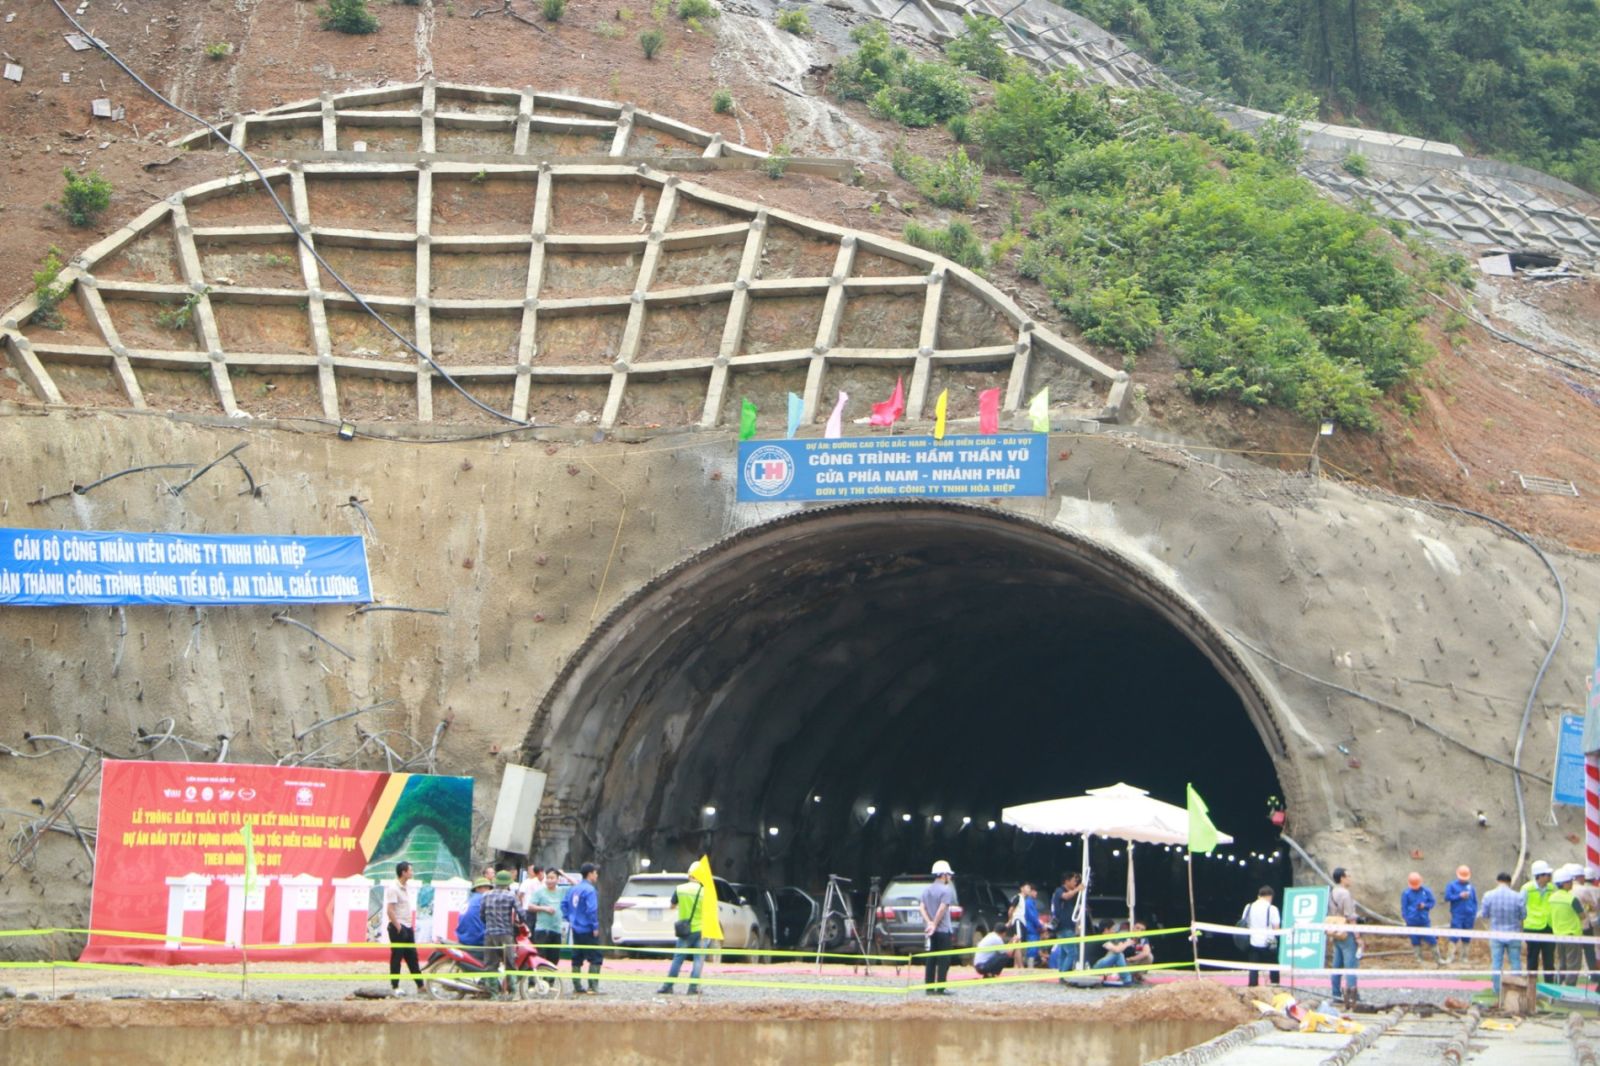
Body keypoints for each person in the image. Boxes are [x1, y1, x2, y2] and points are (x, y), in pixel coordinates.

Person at [658, 861, 710, 995]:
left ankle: (668, 986)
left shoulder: (680, 889)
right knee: (698, 959)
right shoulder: (706, 892)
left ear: (689, 874)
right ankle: (693, 988)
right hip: (702, 930)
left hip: (685, 930)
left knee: (678, 958)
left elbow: (672, 906)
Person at [1477, 871, 1525, 999]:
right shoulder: (1518, 896)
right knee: (1515, 961)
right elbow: (1523, 915)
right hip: (1513, 933)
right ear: (1509, 882)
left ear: (1497, 881)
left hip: (1496, 933)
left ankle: (1497, 989)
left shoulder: (1488, 895)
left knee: (1497, 963)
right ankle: (1516, 988)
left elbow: (1485, 914)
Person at [482, 870, 525, 995]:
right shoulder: (511, 896)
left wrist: (489, 924)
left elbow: (482, 915)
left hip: (490, 934)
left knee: (490, 965)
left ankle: (494, 994)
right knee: (510, 963)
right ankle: (513, 993)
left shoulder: (486, 895)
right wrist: (520, 922)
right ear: (508, 883)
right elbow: (521, 913)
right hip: (506, 934)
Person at [920, 859, 958, 996]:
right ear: (943, 875)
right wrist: (935, 924)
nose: (950, 877)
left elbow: (922, 908)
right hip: (942, 930)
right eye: (948, 874)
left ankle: (929, 988)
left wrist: (929, 923)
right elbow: (942, 909)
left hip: (930, 931)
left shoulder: (927, 890)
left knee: (931, 958)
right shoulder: (946, 890)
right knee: (944, 959)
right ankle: (941, 988)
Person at [385, 860, 423, 994]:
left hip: (407, 925)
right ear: (404, 872)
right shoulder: (393, 888)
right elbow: (390, 910)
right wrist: (398, 927)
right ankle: (395, 986)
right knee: (397, 957)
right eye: (410, 870)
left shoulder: (405, 886)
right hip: (398, 927)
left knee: (413, 957)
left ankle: (420, 985)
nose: (412, 873)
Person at [1326, 867, 1361, 1006]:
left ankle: (1336, 993)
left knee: (1337, 964)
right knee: (1350, 964)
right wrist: (1358, 936)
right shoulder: (1345, 894)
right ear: (1342, 878)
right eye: (1348, 876)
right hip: (1346, 931)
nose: (1350, 878)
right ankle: (1352, 994)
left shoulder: (1332, 892)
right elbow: (1350, 916)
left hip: (1335, 931)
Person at [568, 862, 603, 994]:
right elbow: (592, 909)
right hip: (588, 928)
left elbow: (564, 904)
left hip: (576, 928)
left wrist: (570, 918)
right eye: (595, 873)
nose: (596, 875)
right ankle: (593, 986)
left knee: (577, 956)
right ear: (590, 874)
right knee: (596, 957)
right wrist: (594, 926)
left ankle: (577, 986)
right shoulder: (590, 890)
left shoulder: (573, 889)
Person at [1549, 865, 1585, 985]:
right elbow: (1582, 916)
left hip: (1558, 935)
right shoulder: (1572, 899)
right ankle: (1569, 989)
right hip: (1572, 935)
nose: (1571, 884)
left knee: (1562, 964)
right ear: (1563, 883)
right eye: (1569, 882)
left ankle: (1558, 986)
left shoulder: (1552, 898)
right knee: (1573, 964)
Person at [1521, 860, 1556, 982]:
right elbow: (1521, 906)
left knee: (1549, 959)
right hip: (1532, 928)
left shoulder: (1552, 888)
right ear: (1539, 876)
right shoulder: (1527, 889)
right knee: (1532, 958)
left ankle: (1550, 985)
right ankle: (1531, 984)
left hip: (1548, 927)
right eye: (1546, 875)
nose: (1549, 877)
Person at [1242, 885, 1280, 987]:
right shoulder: (1272, 909)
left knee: (1253, 967)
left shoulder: (1248, 907)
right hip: (1269, 940)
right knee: (1274, 964)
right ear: (1270, 896)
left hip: (1253, 940)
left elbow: (1244, 923)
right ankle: (1275, 985)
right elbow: (1276, 928)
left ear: (1259, 896)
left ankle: (1253, 986)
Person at [1401, 872, 1442, 965]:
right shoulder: (1406, 893)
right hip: (1411, 922)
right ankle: (1419, 960)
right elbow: (1404, 908)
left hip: (1424, 921)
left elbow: (1432, 903)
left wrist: (1425, 906)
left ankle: (1438, 959)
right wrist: (1407, 919)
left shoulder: (1426, 891)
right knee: (1415, 941)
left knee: (1432, 939)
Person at [527, 867, 566, 963]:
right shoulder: (540, 892)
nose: (549, 880)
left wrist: (564, 875)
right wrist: (544, 908)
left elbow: (576, 885)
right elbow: (530, 906)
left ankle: (549, 978)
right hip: (542, 930)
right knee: (541, 956)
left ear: (558, 879)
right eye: (547, 878)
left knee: (554, 958)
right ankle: (539, 977)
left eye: (552, 878)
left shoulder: (561, 891)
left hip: (556, 929)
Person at [1442, 865, 1477, 965]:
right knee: (1454, 935)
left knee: (1467, 936)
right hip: (1457, 914)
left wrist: (1474, 912)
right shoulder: (1452, 885)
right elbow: (1447, 897)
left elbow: (1474, 901)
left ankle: (1464, 957)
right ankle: (1450, 957)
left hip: (1469, 915)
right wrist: (1459, 896)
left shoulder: (1471, 887)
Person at [1049, 872, 1083, 972]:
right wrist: (1077, 889)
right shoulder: (1059, 890)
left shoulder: (1072, 893)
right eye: (1074, 880)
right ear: (1067, 881)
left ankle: (1061, 973)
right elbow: (1065, 896)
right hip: (1064, 926)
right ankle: (1064, 974)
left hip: (1068, 926)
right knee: (1072, 952)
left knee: (1064, 952)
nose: (1076, 883)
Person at [454, 877, 493, 963]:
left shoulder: (470, 900)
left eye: (489, 888)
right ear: (478, 888)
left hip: (463, 936)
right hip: (476, 938)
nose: (488, 890)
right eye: (485, 888)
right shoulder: (483, 899)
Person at [1575, 867, 1600, 991]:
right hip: (1592, 922)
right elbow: (1595, 905)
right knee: (1593, 950)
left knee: (1586, 950)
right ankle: (1595, 974)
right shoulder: (1595, 890)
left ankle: (1589, 973)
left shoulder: (1576, 890)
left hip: (1583, 923)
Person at [1092, 922, 1137, 986]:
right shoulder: (1102, 939)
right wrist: (1127, 944)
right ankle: (1127, 980)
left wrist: (1122, 943)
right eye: (1113, 929)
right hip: (1094, 967)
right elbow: (1117, 950)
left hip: (1099, 965)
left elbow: (1117, 948)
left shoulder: (1109, 940)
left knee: (1119, 954)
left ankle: (1127, 979)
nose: (1114, 931)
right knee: (1118, 955)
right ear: (1106, 930)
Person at [1008, 883, 1041, 967]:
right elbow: (1011, 910)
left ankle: (1016, 965)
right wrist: (1010, 920)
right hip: (1018, 920)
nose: (1029, 889)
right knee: (1017, 942)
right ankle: (1020, 965)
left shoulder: (1024, 899)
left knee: (1018, 942)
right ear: (1022, 888)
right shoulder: (1018, 897)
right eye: (1027, 887)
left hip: (1022, 922)